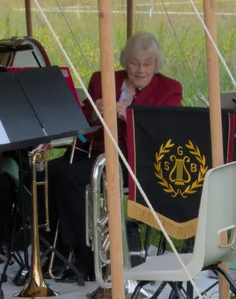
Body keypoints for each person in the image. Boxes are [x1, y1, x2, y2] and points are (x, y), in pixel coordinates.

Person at [48, 31, 182, 279]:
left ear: (156, 65)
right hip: (93, 150)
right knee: (49, 172)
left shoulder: (170, 89)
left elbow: (164, 134)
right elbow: (83, 129)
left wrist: (127, 115)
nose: (140, 69)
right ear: (125, 61)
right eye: (134, 62)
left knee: (70, 178)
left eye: (147, 63)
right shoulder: (102, 80)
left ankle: (86, 254)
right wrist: (91, 115)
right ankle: (58, 248)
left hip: (136, 159)